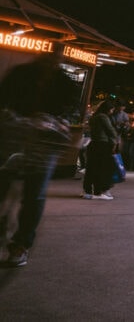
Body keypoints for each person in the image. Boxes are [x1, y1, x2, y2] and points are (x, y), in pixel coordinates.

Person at [0, 53, 78, 267]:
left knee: (30, 191)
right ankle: (20, 244)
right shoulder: (56, 80)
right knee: (32, 193)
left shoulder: (59, 81)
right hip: (24, 138)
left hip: (33, 141)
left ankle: (21, 243)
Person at [82, 100, 119, 200]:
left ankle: (88, 190)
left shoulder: (94, 117)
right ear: (108, 109)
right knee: (101, 167)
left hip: (94, 143)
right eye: (111, 110)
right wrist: (116, 140)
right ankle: (99, 191)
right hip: (102, 144)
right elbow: (110, 130)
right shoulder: (103, 117)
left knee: (91, 167)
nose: (111, 112)